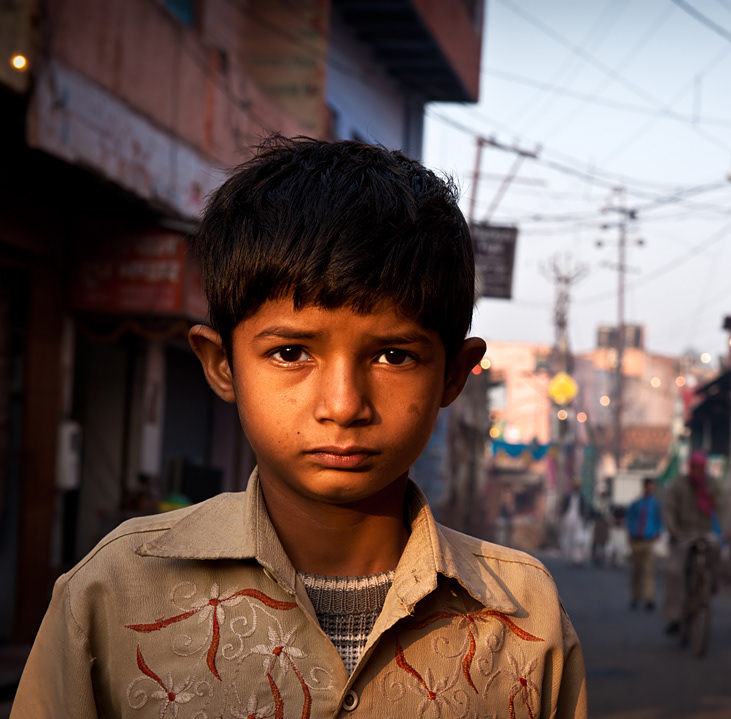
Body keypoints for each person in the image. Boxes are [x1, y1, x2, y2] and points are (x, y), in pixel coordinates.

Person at [14, 138, 587, 718]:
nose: (342, 405)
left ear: (454, 376)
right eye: (290, 353)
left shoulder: (522, 615)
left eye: (393, 356)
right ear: (221, 365)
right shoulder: (113, 595)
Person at [661, 450, 723, 634]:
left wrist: (727, 531)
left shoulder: (712, 484)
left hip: (704, 532)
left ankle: (709, 587)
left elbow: (723, 506)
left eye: (700, 468)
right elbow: (669, 508)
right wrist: (671, 528)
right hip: (682, 534)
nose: (697, 471)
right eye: (694, 468)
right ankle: (675, 616)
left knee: (716, 550)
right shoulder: (678, 484)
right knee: (674, 571)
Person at [625, 478, 664, 610]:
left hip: (648, 540)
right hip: (636, 540)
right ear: (645, 487)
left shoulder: (656, 504)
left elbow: (660, 520)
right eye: (649, 487)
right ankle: (635, 597)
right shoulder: (636, 503)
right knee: (636, 570)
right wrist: (630, 531)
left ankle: (649, 598)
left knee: (648, 570)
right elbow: (630, 519)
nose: (650, 489)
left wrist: (657, 532)